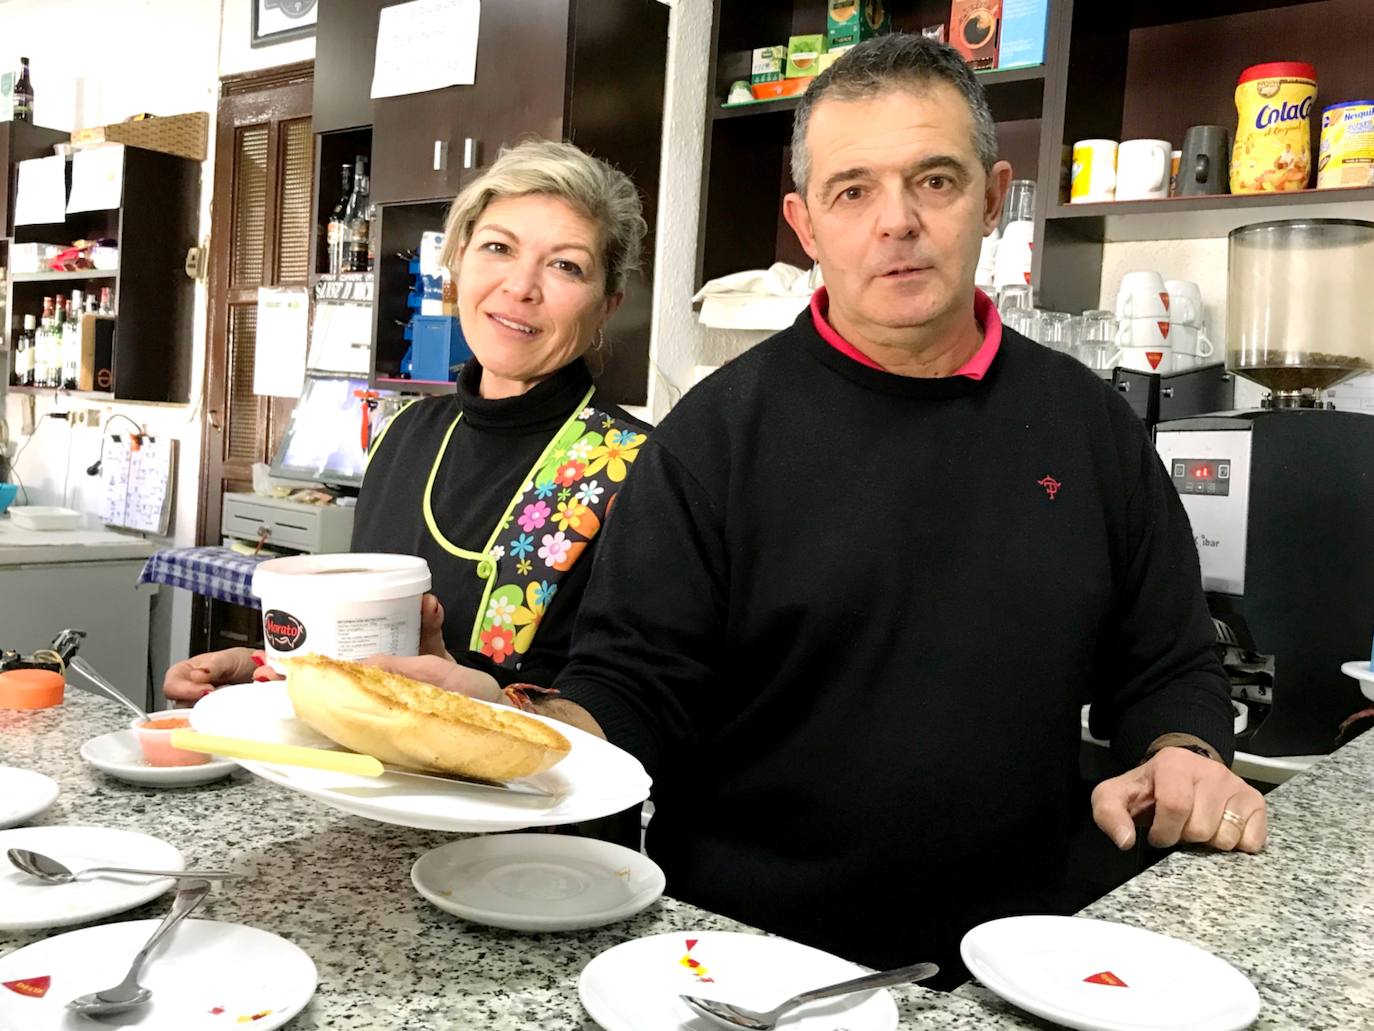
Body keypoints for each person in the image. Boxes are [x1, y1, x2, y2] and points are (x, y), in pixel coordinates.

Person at [385, 34, 1269, 984]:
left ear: (993, 195)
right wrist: (517, 720)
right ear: (805, 223)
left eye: (933, 181)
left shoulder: (1089, 421)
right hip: (750, 964)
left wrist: (1184, 750)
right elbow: (636, 688)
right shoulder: (713, 436)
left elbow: (1171, 660)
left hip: (1023, 957)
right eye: (853, 191)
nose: (897, 222)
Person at [164, 140, 650, 703]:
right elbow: (357, 639)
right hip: (354, 782)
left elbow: (637, 710)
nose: (520, 287)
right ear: (458, 262)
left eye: (566, 265)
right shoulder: (408, 432)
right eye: (498, 248)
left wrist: (492, 701)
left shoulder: (632, 469)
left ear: (606, 304)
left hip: (513, 788)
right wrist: (262, 668)